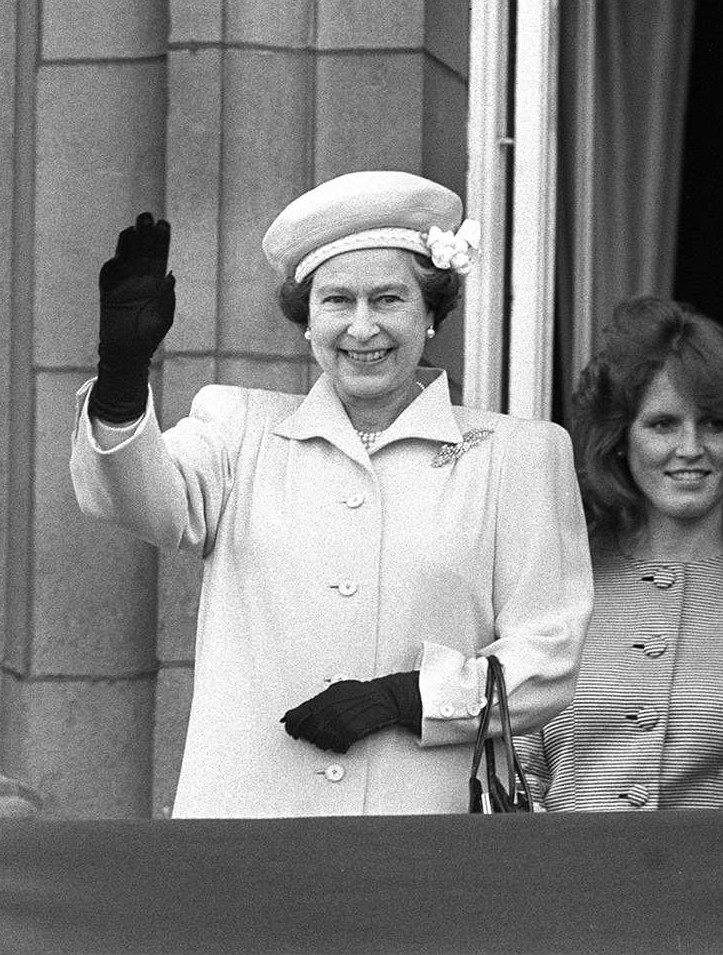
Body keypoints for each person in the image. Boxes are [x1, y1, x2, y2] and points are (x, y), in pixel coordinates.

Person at [69, 171, 593, 817]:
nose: (362, 327)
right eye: (338, 301)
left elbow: (549, 657)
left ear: (433, 314)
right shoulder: (239, 430)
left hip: (424, 832)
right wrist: (121, 379)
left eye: (389, 300)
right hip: (249, 830)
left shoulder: (518, 455)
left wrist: (411, 698)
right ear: (306, 323)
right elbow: (139, 502)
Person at [514, 296, 723, 809]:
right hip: (564, 882)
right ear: (621, 438)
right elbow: (516, 782)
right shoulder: (558, 579)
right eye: (663, 424)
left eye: (715, 423)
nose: (690, 448)